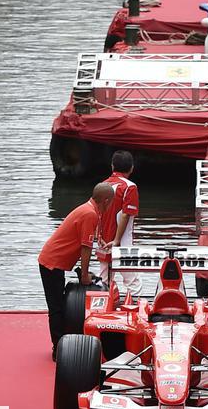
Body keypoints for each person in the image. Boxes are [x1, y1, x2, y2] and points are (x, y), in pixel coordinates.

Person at [38, 182, 115, 360]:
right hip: (52, 263)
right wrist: (85, 275)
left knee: (59, 305)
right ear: (106, 201)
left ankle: (62, 344)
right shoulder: (90, 214)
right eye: (111, 202)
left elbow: (87, 239)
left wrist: (99, 240)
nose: (110, 206)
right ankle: (58, 349)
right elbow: (85, 248)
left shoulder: (88, 209)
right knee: (56, 307)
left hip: (54, 260)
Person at [95, 150, 139, 283]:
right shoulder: (130, 187)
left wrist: (98, 236)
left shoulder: (102, 186)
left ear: (112, 166)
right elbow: (126, 214)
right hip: (122, 242)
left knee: (104, 280)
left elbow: (96, 212)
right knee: (132, 281)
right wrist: (117, 240)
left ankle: (102, 296)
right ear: (131, 168)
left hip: (104, 242)